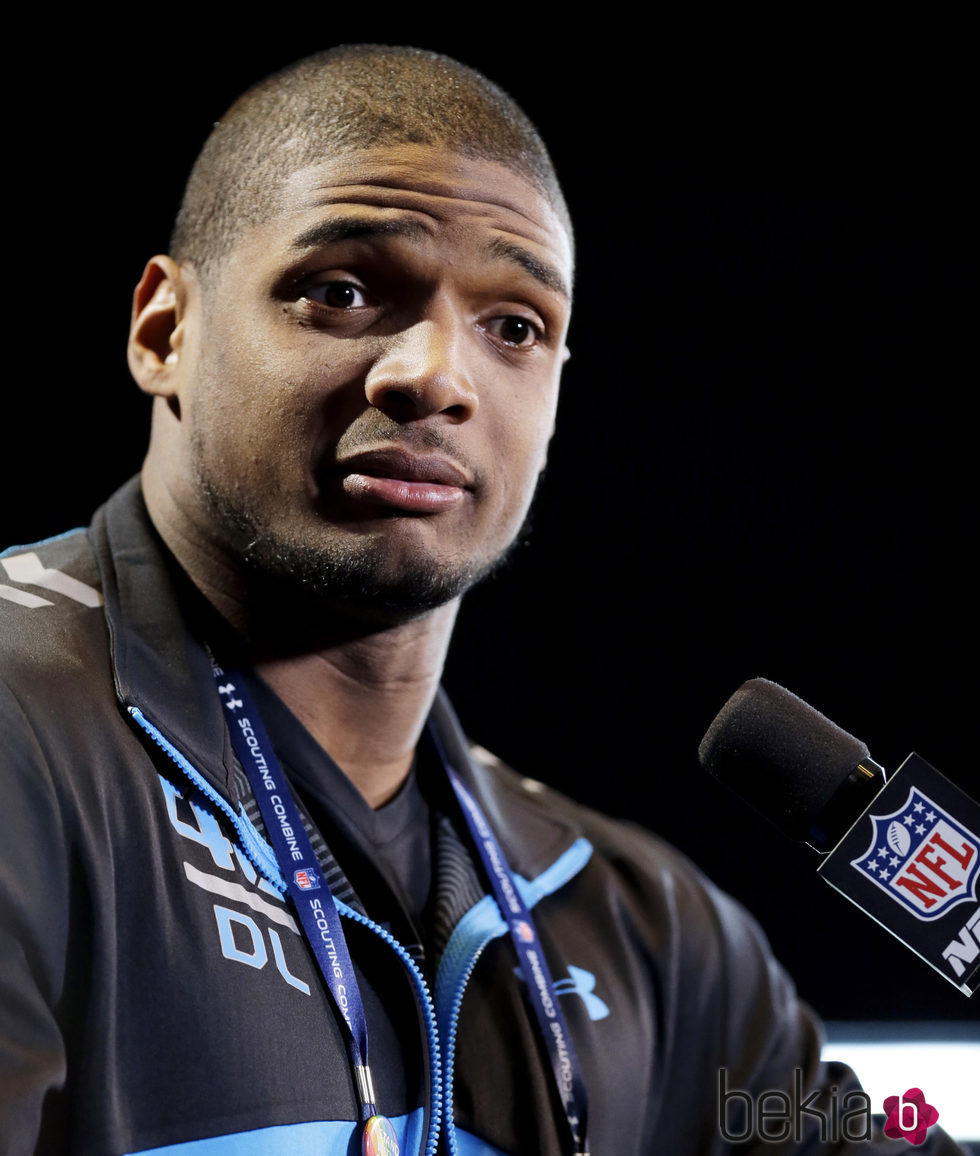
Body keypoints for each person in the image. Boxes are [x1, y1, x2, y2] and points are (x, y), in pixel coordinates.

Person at [0, 45, 967, 1156]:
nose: (435, 376)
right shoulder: (24, 740)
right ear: (164, 330)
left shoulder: (642, 928)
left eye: (513, 326)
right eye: (344, 290)